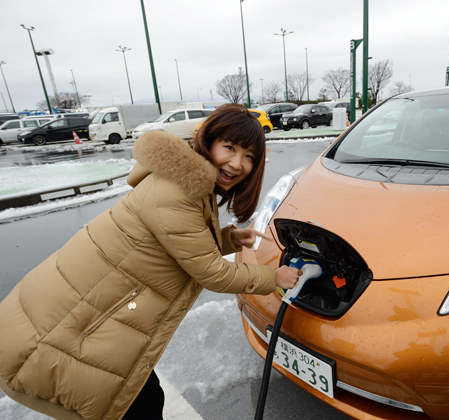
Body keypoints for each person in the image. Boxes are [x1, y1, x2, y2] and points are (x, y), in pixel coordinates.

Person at [0, 104, 302, 420]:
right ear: (207, 142)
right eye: (230, 147)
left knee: (142, 398)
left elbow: (176, 244)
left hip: (81, 316)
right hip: (66, 331)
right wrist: (274, 278)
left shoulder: (180, 183)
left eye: (250, 156)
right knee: (136, 404)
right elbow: (212, 273)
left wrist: (227, 239)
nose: (238, 163)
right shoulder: (177, 193)